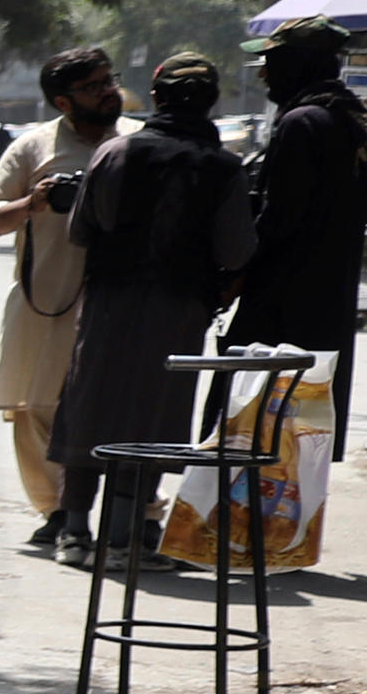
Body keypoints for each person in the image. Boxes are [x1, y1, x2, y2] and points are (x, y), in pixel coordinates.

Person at [49, 48, 259, 552]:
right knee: (154, 415)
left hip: (107, 305)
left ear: (158, 97)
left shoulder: (114, 153)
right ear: (209, 102)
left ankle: (74, 532)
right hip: (179, 311)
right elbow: (236, 251)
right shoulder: (224, 168)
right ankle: (125, 540)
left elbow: (80, 231)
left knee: (90, 405)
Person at [0, 50, 118, 558]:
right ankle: (57, 512)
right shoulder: (34, 147)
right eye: (94, 85)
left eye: (109, 80)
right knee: (36, 409)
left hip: (120, 303)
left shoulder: (139, 142)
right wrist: (32, 202)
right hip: (47, 303)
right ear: (63, 100)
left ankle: (134, 516)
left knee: (118, 408)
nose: (107, 91)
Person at [232, 19, 361, 417]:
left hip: (283, 304)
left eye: (271, 61)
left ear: (297, 63)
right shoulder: (351, 119)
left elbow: (279, 219)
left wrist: (237, 272)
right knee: (307, 429)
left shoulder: (301, 123)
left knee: (258, 428)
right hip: (330, 299)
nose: (265, 75)